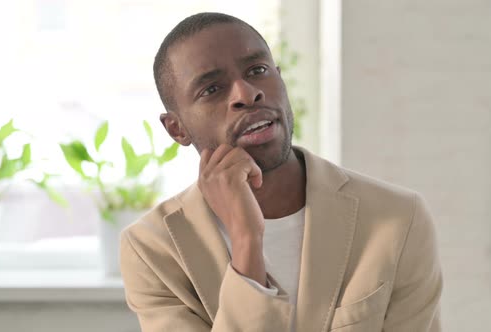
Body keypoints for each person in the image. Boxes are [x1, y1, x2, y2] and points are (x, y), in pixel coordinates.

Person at [120, 12, 443, 332]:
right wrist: (247, 241)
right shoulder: (151, 249)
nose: (247, 94)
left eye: (257, 70)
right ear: (177, 129)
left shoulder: (398, 216)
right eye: (212, 89)